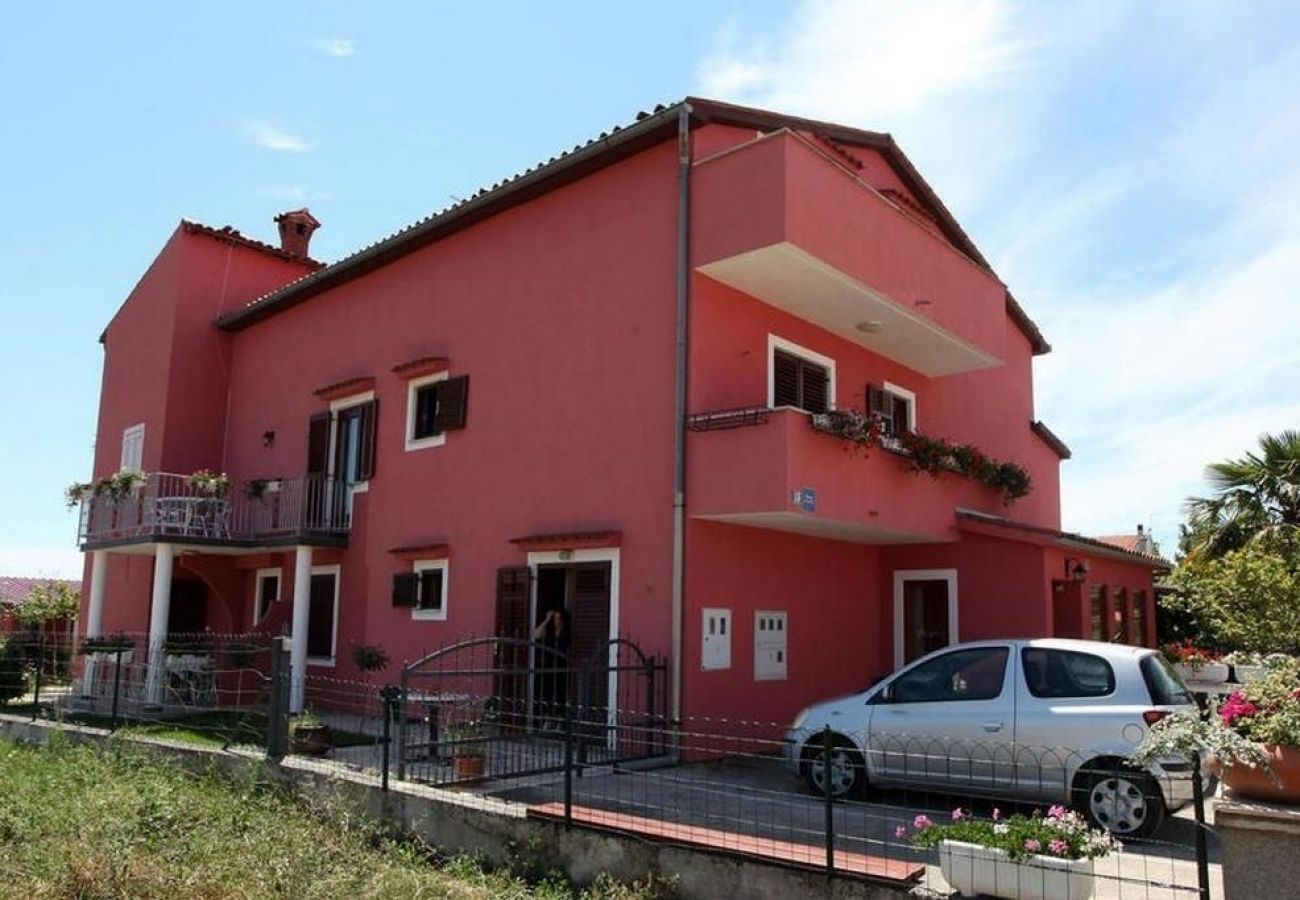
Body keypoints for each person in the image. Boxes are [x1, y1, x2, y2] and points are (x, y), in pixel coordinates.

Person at [533, 608, 570, 729]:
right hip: (549, 667)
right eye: (555, 619)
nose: (556, 621)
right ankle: (548, 718)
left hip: (562, 667)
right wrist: (547, 619)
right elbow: (536, 635)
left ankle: (560, 720)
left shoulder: (566, 632)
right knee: (548, 693)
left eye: (558, 618)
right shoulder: (549, 632)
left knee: (560, 694)